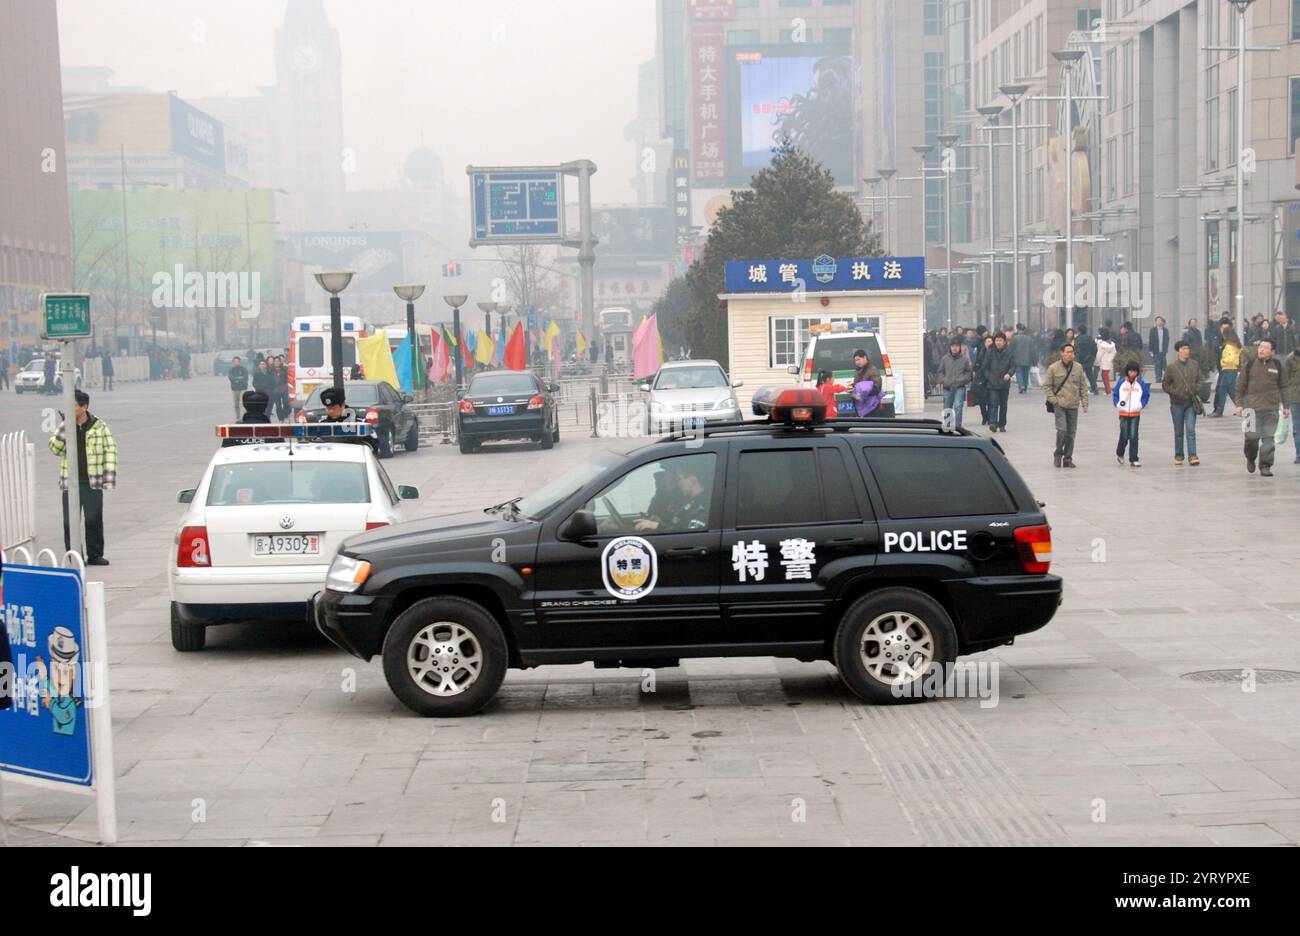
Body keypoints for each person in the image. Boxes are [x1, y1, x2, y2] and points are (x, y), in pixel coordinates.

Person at [48, 390, 117, 566]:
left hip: (91, 481)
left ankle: (95, 555)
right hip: (70, 482)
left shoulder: (99, 426)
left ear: (84, 407)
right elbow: (55, 449)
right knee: (69, 521)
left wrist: (107, 477)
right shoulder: (66, 426)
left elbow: (110, 449)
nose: (70, 409)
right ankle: (75, 555)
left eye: (74, 405)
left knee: (93, 519)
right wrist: (64, 427)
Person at [1235, 338, 1290, 477]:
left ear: (1272, 351)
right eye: (1260, 347)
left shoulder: (1277, 365)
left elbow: (1284, 387)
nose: (1261, 350)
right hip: (1250, 409)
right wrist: (1239, 404)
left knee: (1269, 439)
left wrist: (1286, 406)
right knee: (1251, 439)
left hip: (1270, 409)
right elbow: (1240, 386)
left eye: (1265, 348)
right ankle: (1250, 458)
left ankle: (1265, 465)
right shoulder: (1250, 364)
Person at [1044, 342, 1090, 468]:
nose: (1070, 354)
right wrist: (1054, 400)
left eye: (1072, 352)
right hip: (1059, 404)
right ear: (1062, 353)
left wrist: (1085, 402)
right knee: (1062, 430)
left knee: (1071, 433)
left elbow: (1083, 386)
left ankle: (1068, 458)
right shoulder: (1053, 368)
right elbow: (1047, 386)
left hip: (1073, 405)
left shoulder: (1078, 368)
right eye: (1067, 352)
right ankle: (1058, 454)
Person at [634, 462, 710, 533]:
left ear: (692, 479)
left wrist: (656, 526)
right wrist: (661, 524)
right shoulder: (693, 503)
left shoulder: (704, 506)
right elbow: (680, 527)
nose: (678, 483)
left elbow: (687, 537)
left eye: (679, 479)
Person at [1162, 340, 1203, 466]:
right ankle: (1179, 455)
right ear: (1178, 351)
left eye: (1188, 348)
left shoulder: (1194, 365)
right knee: (1179, 431)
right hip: (1176, 403)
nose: (1186, 351)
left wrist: (1196, 389)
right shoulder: (1172, 367)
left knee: (1191, 430)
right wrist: (1175, 392)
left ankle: (1193, 455)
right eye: (1184, 348)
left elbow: (1200, 380)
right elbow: (1165, 384)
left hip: (1190, 402)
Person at [1113, 361, 1149, 468]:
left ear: (1137, 372)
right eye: (1130, 371)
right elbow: (1115, 395)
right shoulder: (1121, 382)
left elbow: (1146, 396)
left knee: (1133, 435)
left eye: (1134, 371)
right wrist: (1117, 404)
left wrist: (1141, 405)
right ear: (1127, 371)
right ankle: (1120, 453)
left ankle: (1134, 459)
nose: (1132, 373)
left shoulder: (1141, 383)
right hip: (1123, 413)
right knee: (1124, 435)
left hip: (1135, 413)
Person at [981, 332, 1015, 432]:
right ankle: (993, 423)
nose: (998, 342)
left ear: (1004, 341)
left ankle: (1002, 424)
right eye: (996, 340)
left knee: (1003, 405)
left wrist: (1009, 374)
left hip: (1004, 383)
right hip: (992, 383)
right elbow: (985, 367)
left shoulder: (1009, 353)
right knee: (993, 404)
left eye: (1000, 340)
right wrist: (989, 377)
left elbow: (1013, 366)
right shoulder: (990, 352)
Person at [937, 338, 973, 428]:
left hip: (959, 387)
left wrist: (964, 379)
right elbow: (940, 372)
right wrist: (944, 380)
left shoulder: (964, 359)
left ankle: (958, 426)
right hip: (947, 387)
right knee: (947, 407)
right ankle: (948, 425)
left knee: (958, 407)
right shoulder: (945, 359)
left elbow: (969, 372)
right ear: (950, 347)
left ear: (959, 348)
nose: (954, 348)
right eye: (953, 346)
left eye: (956, 346)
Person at [1212, 326, 1242, 417]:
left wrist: (1223, 361)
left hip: (1228, 368)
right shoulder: (1235, 344)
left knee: (1222, 389)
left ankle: (1219, 410)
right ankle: (1241, 408)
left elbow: (1231, 358)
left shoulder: (1229, 346)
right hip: (1232, 369)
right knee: (1232, 390)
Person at [850, 349, 884, 417]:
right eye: (855, 360)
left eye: (858, 359)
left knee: (871, 425)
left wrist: (865, 393)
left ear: (865, 358)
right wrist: (852, 387)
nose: (857, 362)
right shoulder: (857, 371)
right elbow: (857, 385)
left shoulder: (872, 370)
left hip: (871, 406)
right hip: (861, 406)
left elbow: (877, 387)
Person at [1011, 325, 1036, 393]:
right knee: (1025, 374)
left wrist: (1010, 359)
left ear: (1018, 330)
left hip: (1017, 359)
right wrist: (1035, 361)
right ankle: (1025, 386)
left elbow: (1011, 349)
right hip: (1027, 360)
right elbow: (1033, 351)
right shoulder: (1030, 339)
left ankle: (1021, 385)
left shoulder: (1014, 338)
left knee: (1019, 373)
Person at [1094, 328, 1117, 396]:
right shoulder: (1113, 344)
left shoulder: (1102, 345)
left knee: (1105, 377)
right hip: (1110, 362)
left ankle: (1108, 391)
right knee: (1105, 376)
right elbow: (1115, 353)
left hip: (1104, 362)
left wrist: (1096, 363)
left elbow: (1099, 355)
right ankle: (1108, 391)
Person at [1147, 316, 1170, 383]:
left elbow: (1167, 340)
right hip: (1155, 351)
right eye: (1157, 320)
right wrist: (1150, 350)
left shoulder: (1165, 330)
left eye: (1160, 320)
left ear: (1163, 322)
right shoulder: (1153, 330)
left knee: (1163, 365)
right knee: (1157, 365)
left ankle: (1164, 378)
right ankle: (1158, 378)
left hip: (1163, 351)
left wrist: (1166, 349)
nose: (1159, 322)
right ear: (1156, 322)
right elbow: (1151, 340)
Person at [1288, 343, 1300, 464]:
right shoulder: (1291, 358)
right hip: (1295, 398)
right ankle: (1299, 454)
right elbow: (1285, 379)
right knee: (1297, 427)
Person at [227, 355, 250, 420]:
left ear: (240, 362)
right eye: (235, 361)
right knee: (236, 404)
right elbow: (231, 378)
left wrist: (237, 379)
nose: (236, 362)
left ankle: (244, 417)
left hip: (243, 388)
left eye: (237, 361)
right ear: (233, 362)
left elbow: (245, 377)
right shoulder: (231, 370)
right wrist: (238, 378)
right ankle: (238, 417)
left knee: (242, 403)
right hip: (234, 389)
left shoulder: (243, 369)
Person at [270, 355, 289, 422]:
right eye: (275, 361)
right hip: (275, 390)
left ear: (280, 362)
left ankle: (285, 415)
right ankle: (280, 419)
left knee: (286, 403)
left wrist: (286, 385)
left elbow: (288, 378)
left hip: (284, 389)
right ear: (274, 362)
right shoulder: (271, 370)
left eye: (278, 361)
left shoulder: (285, 369)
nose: (277, 362)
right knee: (278, 406)